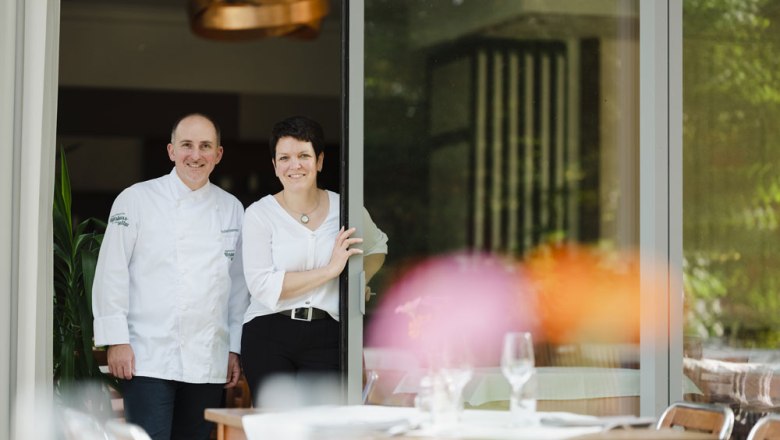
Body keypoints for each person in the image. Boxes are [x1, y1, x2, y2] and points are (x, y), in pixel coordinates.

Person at [92, 113, 249, 440]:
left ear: (218, 154)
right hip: (147, 356)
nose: (196, 155)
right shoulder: (135, 199)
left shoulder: (233, 208)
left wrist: (233, 347)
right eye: (187, 145)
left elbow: (237, 288)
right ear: (171, 150)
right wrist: (116, 339)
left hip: (208, 358)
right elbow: (111, 272)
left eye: (205, 146)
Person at [240, 115, 388, 399]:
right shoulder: (259, 214)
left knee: (321, 420)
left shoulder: (345, 208)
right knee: (276, 421)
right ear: (274, 165)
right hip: (269, 333)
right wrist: (330, 271)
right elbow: (262, 285)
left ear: (319, 161)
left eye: (303, 156)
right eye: (284, 158)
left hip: (328, 334)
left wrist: (358, 281)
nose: (294, 165)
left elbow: (377, 246)